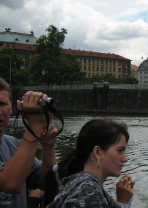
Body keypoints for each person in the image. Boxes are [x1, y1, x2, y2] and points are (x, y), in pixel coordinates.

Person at [46, 119, 135, 208]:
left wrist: (123, 202)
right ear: (97, 152)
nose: (125, 159)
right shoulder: (89, 192)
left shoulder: (77, 183)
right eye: (120, 150)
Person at [0, 78, 58, 208]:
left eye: (2, 104)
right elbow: (10, 184)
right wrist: (34, 125)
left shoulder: (14, 144)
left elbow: (45, 182)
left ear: (13, 108)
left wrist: (48, 147)